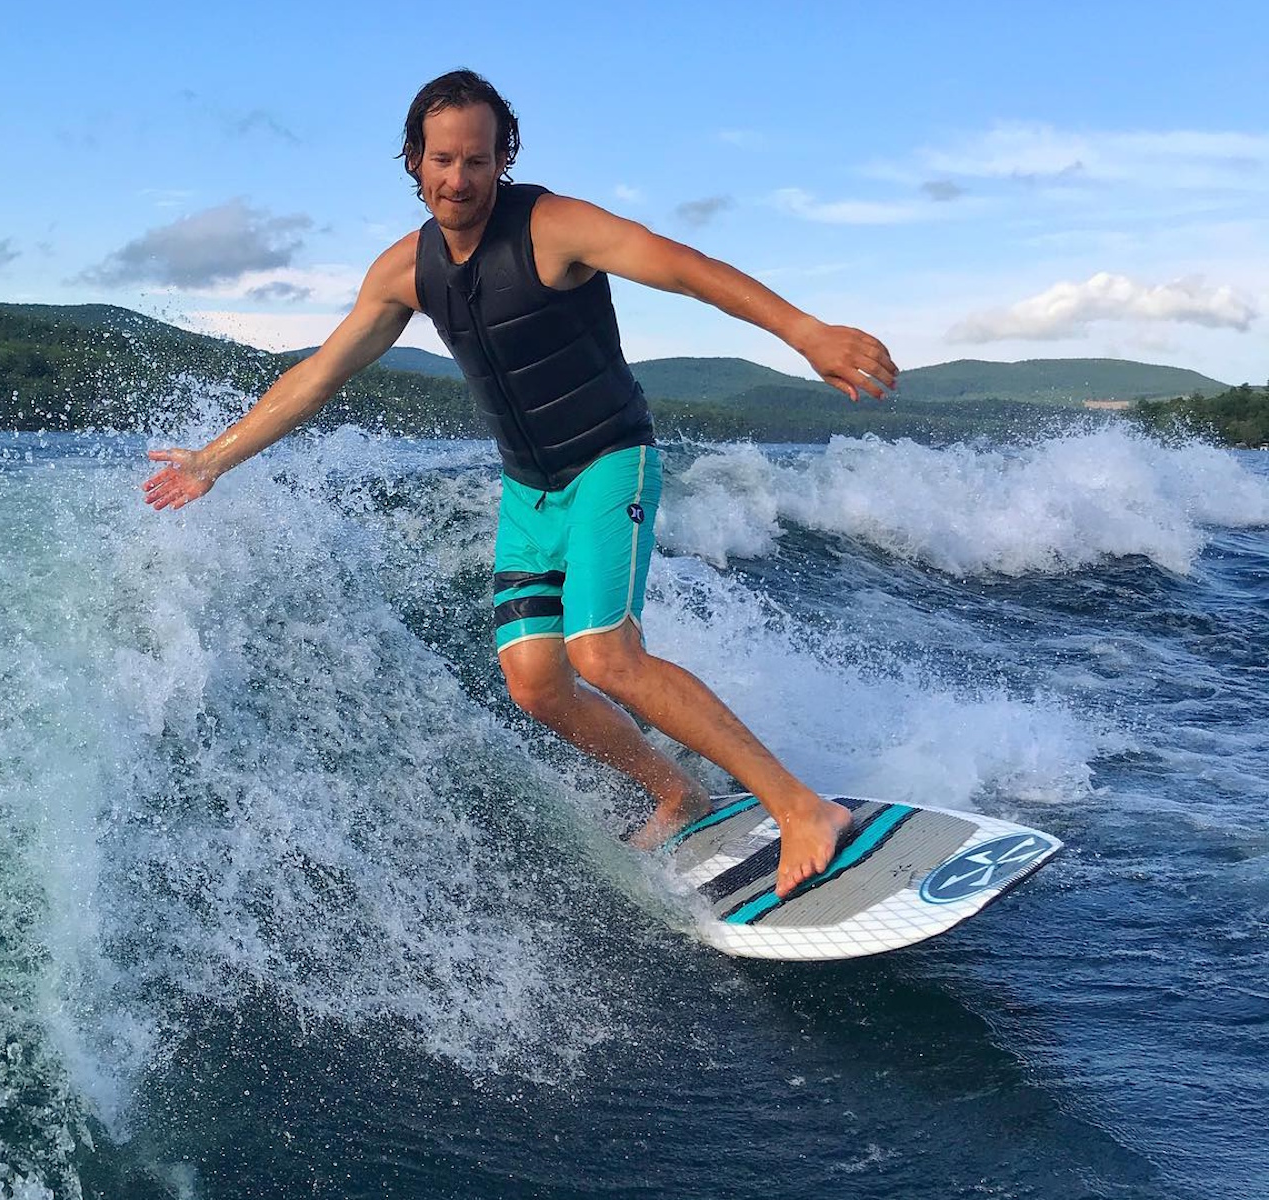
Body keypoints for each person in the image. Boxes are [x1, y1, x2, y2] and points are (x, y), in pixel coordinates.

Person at [143, 70, 898, 897]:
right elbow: (319, 375)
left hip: (610, 460)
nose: (458, 179)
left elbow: (683, 267)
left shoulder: (554, 228)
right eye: (441, 160)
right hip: (529, 491)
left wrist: (805, 331)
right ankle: (677, 791)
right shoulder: (405, 271)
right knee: (537, 685)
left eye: (477, 160)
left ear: (504, 158)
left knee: (604, 655)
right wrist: (211, 460)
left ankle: (801, 807)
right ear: (412, 160)